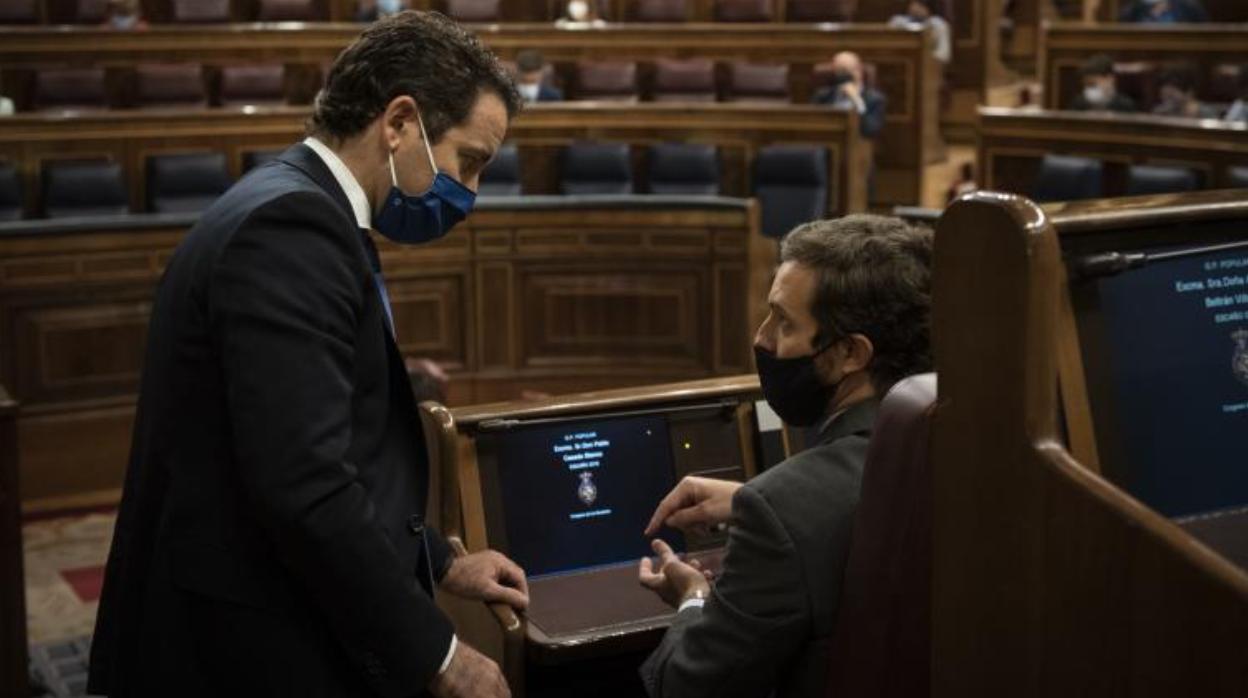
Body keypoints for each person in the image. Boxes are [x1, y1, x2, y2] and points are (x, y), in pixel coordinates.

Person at [88, 12, 527, 698]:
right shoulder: (292, 228)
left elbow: (332, 428)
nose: (469, 193)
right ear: (400, 122)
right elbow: (306, 486)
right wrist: (440, 654)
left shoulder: (297, 205)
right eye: (469, 160)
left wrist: (436, 559)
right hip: (239, 646)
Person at [637, 215, 934, 698]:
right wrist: (755, 499)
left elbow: (685, 687)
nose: (762, 338)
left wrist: (693, 598)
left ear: (850, 354)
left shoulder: (782, 511)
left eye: (784, 321)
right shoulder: (985, 453)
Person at [812, 51, 887, 139]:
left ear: (859, 70)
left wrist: (857, 100)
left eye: (847, 70)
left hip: (857, 145)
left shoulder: (874, 99)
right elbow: (814, 126)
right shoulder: (823, 96)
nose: (844, 75)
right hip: (828, 142)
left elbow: (870, 130)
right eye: (839, 71)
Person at [889, 0, 951, 65]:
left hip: (929, 66)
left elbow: (944, 55)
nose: (916, 8)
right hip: (901, 63)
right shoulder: (898, 22)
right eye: (914, 4)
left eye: (920, 5)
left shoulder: (939, 25)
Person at [1070, 54, 1137, 113]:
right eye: (1087, 85)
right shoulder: (1078, 104)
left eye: (1093, 84)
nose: (1090, 89)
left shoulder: (1125, 105)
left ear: (1109, 79)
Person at [1153, 64, 1219, 118]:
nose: (1167, 102)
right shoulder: (1161, 111)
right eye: (1164, 96)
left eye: (1171, 96)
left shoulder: (1207, 113)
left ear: (1189, 93)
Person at [1118, 0, 1208, 23]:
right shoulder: (1137, 7)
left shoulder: (1189, 6)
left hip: (1180, 61)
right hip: (1140, 57)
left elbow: (1205, 36)